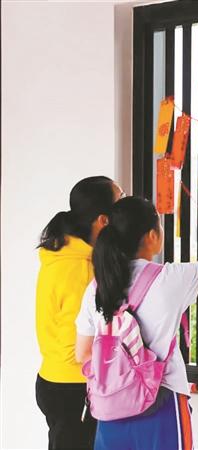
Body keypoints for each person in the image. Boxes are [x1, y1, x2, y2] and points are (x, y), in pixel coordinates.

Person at [75, 182, 198, 450]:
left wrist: (120, 376)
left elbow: (83, 353)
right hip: (162, 402)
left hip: (109, 411)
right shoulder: (169, 279)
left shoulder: (96, 288)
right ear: (151, 236)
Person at [35, 176, 126, 450]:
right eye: (121, 202)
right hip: (73, 387)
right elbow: (77, 345)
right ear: (103, 220)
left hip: (54, 380)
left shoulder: (61, 253)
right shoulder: (82, 269)